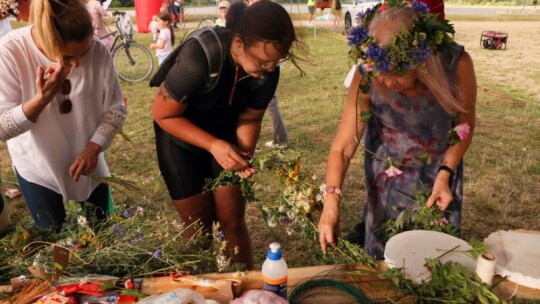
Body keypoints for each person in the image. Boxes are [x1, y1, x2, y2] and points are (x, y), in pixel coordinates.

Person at [318, 1, 477, 260]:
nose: (388, 82)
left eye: (397, 73)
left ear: (422, 60)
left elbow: (463, 127)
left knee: (435, 263)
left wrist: (445, 173)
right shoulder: (367, 75)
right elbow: (343, 147)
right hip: (387, 186)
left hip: (439, 179)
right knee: (387, 267)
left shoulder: (456, 66)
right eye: (382, 73)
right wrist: (331, 200)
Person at [152, 0, 303, 269]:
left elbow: (250, 117)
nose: (269, 69)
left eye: (276, 62)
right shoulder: (200, 56)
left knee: (232, 222)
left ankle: (246, 291)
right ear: (238, 43)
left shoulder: (268, 70)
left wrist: (243, 156)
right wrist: (213, 145)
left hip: (227, 138)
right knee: (197, 233)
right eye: (263, 61)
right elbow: (163, 115)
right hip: (180, 141)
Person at [0, 0, 127, 231]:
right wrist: (41, 100)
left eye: (83, 52)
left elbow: (116, 109)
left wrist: (94, 146)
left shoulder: (98, 51)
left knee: (102, 230)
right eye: (67, 57)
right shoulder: (10, 51)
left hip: (90, 163)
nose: (77, 63)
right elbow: (2, 129)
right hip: (37, 166)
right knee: (52, 236)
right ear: (45, 42)